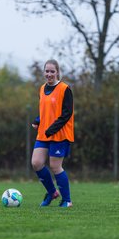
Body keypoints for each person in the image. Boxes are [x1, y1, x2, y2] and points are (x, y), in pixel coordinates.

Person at [31, 59, 74, 207]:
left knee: (55, 167)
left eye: (52, 71)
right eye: (47, 71)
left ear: (57, 72)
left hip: (59, 134)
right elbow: (45, 111)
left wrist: (52, 129)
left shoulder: (65, 89)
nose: (49, 74)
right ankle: (52, 192)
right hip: (44, 134)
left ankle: (67, 201)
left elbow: (67, 113)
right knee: (36, 163)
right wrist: (37, 121)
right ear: (44, 72)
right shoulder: (42, 89)